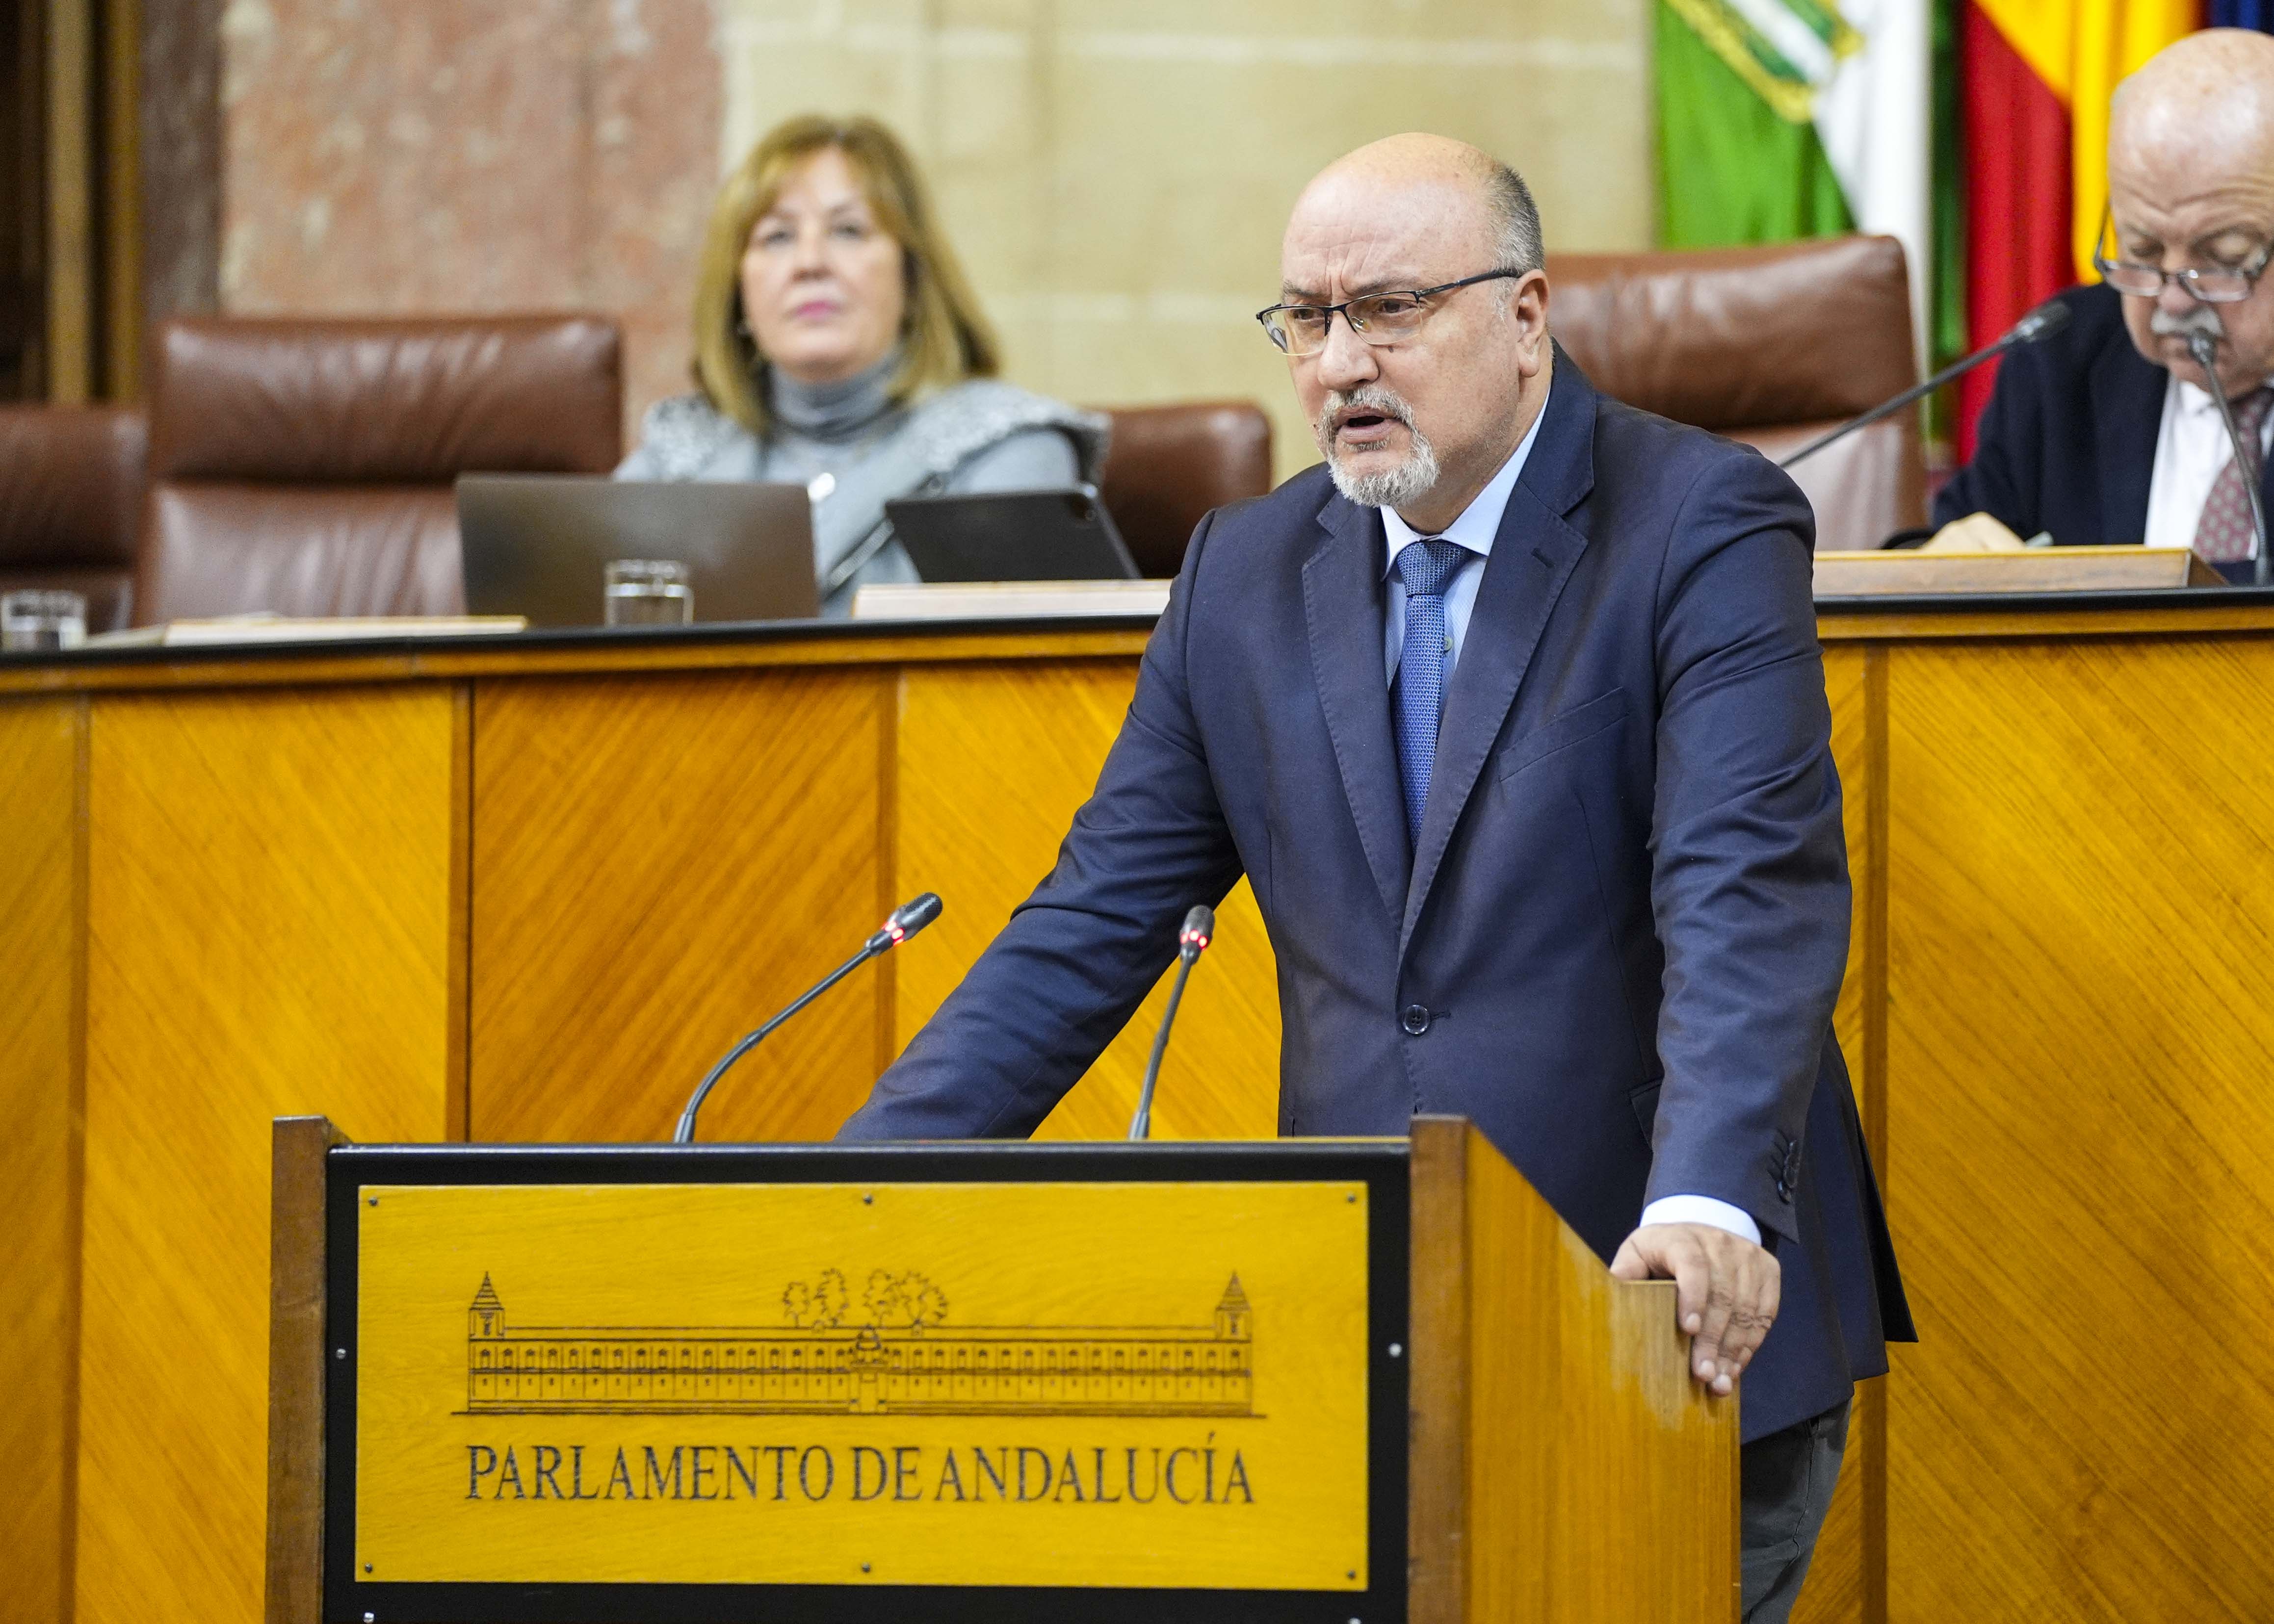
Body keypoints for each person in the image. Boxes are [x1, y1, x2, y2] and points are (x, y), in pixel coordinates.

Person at [837, 133, 1911, 1622]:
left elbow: (1748, 892)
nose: (1341, 361)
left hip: (1655, 1313)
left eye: (1391, 310)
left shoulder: (1699, 520)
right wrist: (850, 1188)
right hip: (1363, 1337)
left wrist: (1710, 1200)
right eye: (1306, 319)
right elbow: (1091, 920)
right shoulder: (1241, 570)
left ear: (1526, 316)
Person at [617, 115, 1107, 615]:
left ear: (912, 279)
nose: (810, 263)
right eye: (777, 237)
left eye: (848, 231)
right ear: (737, 291)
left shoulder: (1004, 452)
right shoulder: (679, 457)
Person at [1937, 29, 2274, 579]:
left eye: (2221, 259)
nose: (2172, 300)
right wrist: (1938, 566)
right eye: (2141, 250)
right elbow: (1947, 545)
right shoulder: (2058, 358)